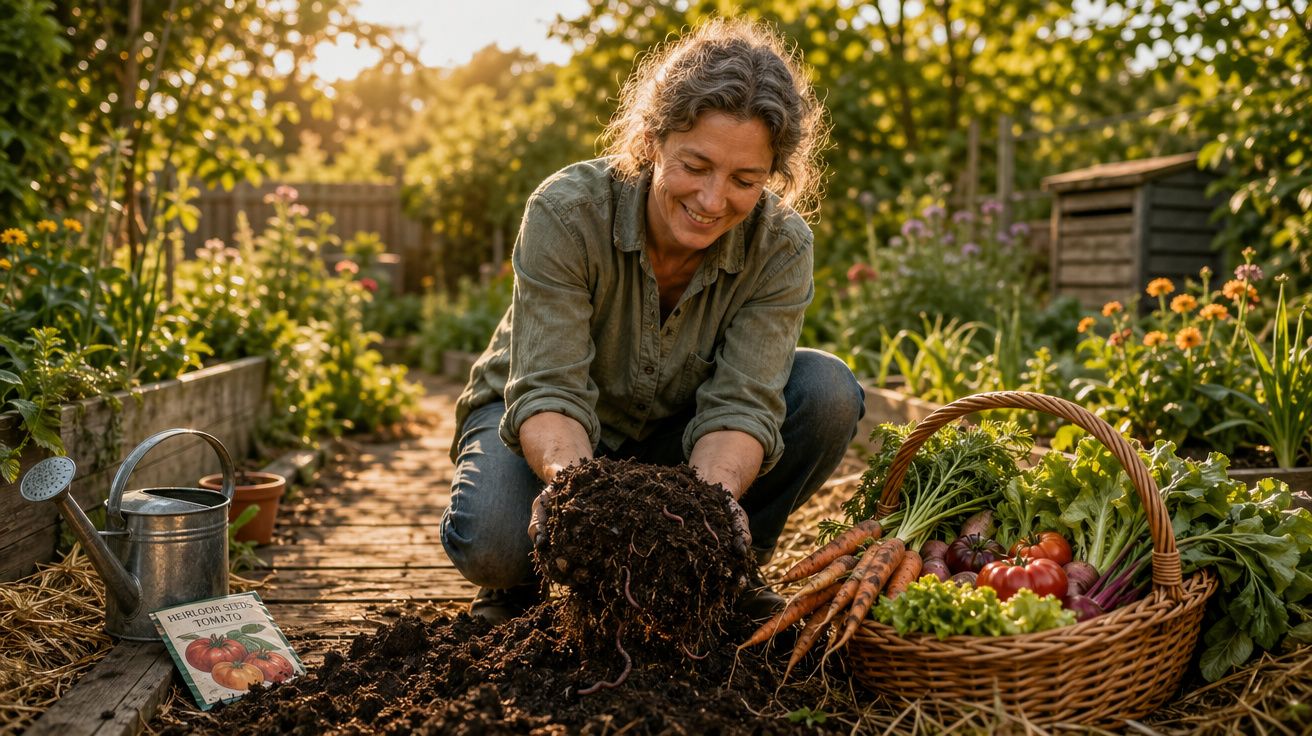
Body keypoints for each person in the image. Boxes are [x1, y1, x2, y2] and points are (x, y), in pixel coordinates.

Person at [441, 18, 866, 626]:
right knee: (495, 547)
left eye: (745, 180)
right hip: (543, 424)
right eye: (695, 165)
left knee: (827, 391)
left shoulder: (781, 246)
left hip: (680, 434)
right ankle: (519, 586)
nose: (713, 200)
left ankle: (724, 573)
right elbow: (550, 390)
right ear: (653, 139)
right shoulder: (568, 213)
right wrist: (582, 502)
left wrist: (706, 514)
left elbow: (742, 403)